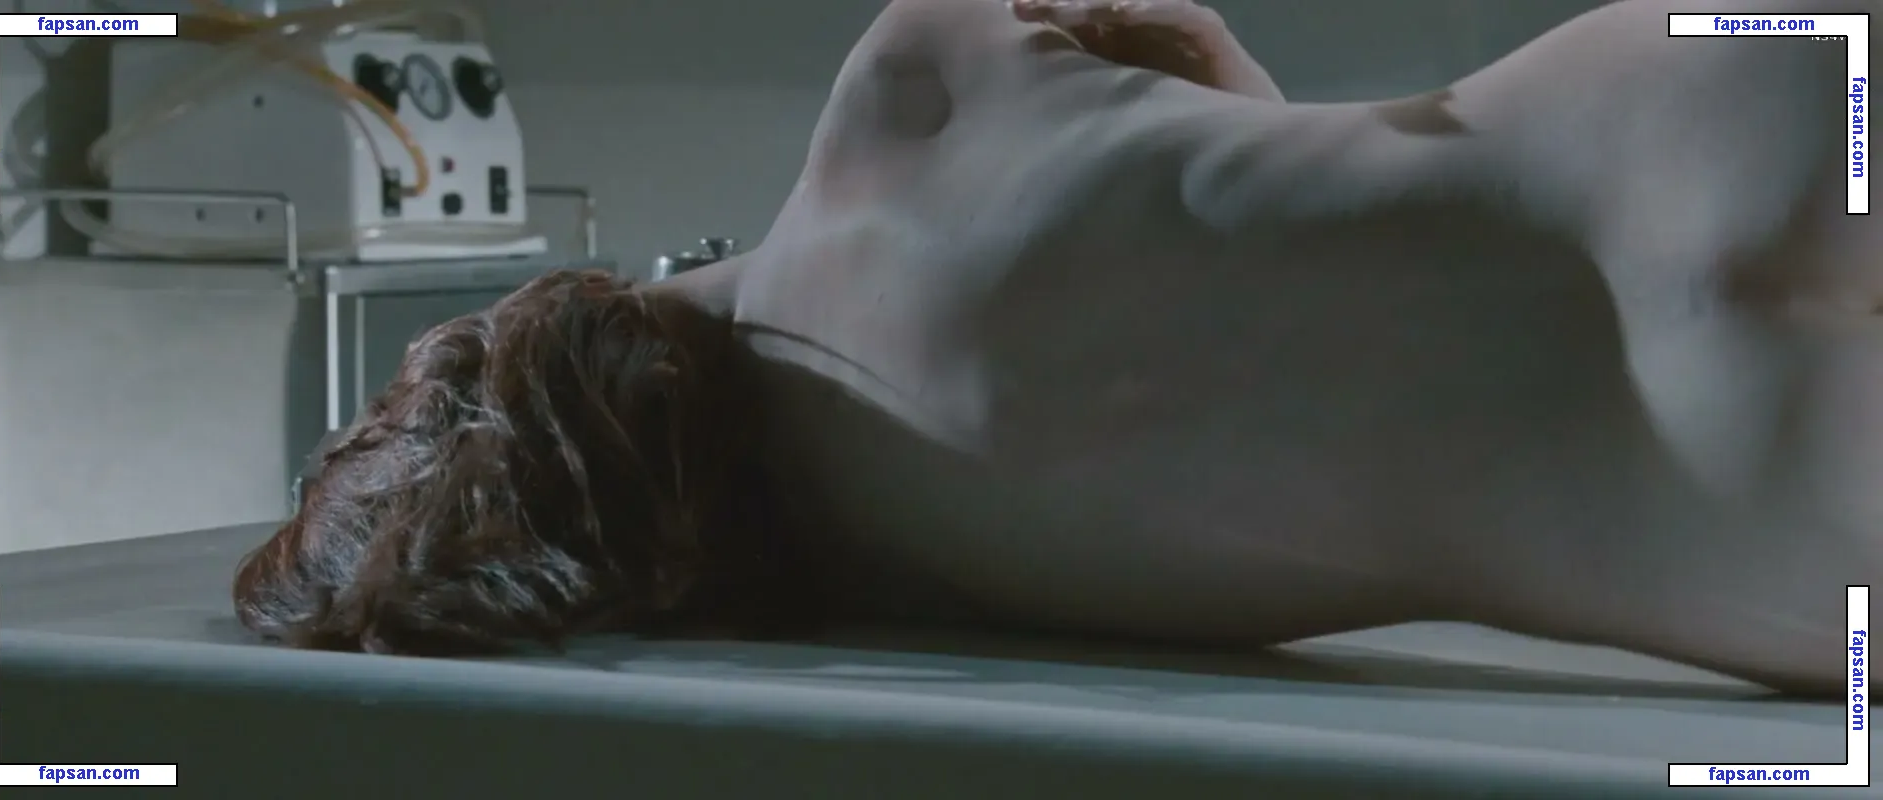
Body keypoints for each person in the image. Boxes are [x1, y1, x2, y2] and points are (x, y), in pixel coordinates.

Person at [232, 0, 1878, 695]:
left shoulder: (911, 588)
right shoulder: (903, 85)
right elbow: (1220, 80)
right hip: (1711, 129)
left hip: (1751, 534)